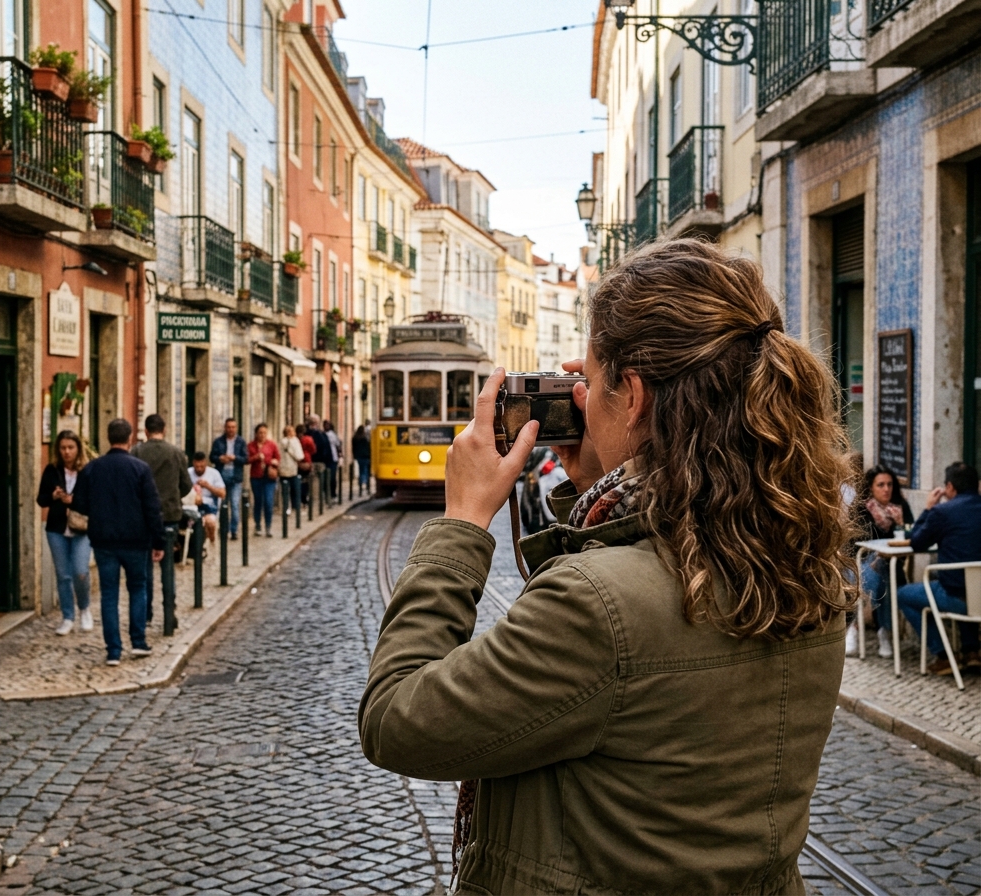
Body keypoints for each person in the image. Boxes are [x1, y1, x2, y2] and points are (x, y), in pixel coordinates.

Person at [360, 239, 852, 894]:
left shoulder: (597, 603)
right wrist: (603, 476)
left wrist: (461, 521)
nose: (580, 399)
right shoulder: (806, 566)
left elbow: (397, 720)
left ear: (636, 398)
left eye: (591, 383)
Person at [71, 418, 166, 666]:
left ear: (108, 438)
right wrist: (159, 542)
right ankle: (138, 642)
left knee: (109, 594)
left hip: (104, 541)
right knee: (137, 589)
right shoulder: (141, 469)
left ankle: (113, 651)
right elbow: (152, 508)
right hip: (136, 541)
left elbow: (79, 504)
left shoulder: (92, 469)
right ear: (130, 437)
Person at [896, 462, 981, 675]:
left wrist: (928, 508)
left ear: (950, 487)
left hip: (957, 599)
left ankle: (943, 656)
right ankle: (971, 652)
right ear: (977, 485)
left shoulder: (942, 512)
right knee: (968, 582)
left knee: (904, 594)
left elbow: (916, 542)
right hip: (977, 596)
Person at [131, 414, 192, 624]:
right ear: (163, 430)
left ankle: (145, 613)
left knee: (144, 567)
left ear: (146, 431)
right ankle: (169, 612)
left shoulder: (137, 452)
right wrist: (172, 497)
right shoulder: (176, 453)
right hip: (169, 516)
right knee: (168, 567)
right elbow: (186, 485)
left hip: (143, 517)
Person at [851, 465, 914, 657]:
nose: (886, 489)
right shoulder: (861, 509)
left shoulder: (901, 508)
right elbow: (855, 544)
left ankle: (856, 628)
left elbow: (913, 536)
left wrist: (900, 523)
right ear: (871, 488)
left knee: (884, 571)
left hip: (891, 567)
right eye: (881, 485)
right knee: (881, 572)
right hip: (860, 565)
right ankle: (883, 632)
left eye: (889, 484)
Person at [35, 430, 93, 636]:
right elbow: (41, 500)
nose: (67, 452)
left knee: (80, 571)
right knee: (63, 575)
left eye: (70, 447)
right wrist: (53, 496)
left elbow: (95, 500)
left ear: (78, 449)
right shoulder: (52, 470)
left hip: (82, 529)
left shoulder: (87, 470)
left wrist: (74, 500)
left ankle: (85, 608)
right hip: (56, 529)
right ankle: (67, 617)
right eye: (63, 448)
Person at [212, 418, 248, 539]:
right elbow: (212, 456)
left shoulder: (241, 442)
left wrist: (234, 458)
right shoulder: (218, 441)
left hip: (235, 476)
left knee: (235, 504)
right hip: (221, 475)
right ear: (225, 428)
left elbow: (245, 459)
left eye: (233, 427)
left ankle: (234, 530)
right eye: (229, 427)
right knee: (222, 504)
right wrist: (220, 458)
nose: (231, 429)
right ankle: (224, 529)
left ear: (236, 428)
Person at [248, 423, 281, 536]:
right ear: (256, 434)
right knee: (258, 501)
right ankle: (257, 525)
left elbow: (277, 457)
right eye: (260, 433)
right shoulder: (251, 445)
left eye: (264, 433)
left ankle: (268, 526)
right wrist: (255, 457)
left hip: (269, 477)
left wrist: (274, 462)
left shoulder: (271, 445)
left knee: (268, 501)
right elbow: (247, 460)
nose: (262, 435)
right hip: (256, 477)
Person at [188, 451, 226, 544]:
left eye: (202, 467)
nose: (199, 469)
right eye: (197, 467)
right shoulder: (188, 472)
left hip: (209, 505)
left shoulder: (214, 473)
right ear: (193, 464)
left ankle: (210, 541)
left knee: (210, 522)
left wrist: (208, 486)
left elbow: (222, 493)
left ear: (205, 463)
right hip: (192, 505)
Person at [278, 425, 305, 517]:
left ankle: (286, 509)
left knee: (285, 492)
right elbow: (300, 456)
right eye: (293, 431)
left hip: (282, 470)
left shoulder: (281, 442)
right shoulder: (295, 441)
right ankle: (296, 509)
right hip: (293, 470)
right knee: (295, 491)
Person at [306, 414, 333, 502]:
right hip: (314, 461)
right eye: (313, 422)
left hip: (319, 461)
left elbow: (327, 448)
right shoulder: (318, 434)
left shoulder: (320, 434)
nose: (315, 424)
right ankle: (317, 501)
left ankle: (318, 500)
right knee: (315, 482)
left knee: (319, 482)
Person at [297, 423, 316, 506]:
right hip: (306, 461)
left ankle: (299, 498)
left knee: (299, 480)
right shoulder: (308, 439)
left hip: (297, 462)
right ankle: (304, 498)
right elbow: (313, 450)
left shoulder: (295, 440)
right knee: (306, 481)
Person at [324, 420, 342, 497]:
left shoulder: (331, 434)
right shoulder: (325, 434)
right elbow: (338, 444)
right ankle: (330, 492)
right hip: (329, 458)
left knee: (331, 477)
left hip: (332, 458)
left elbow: (338, 445)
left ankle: (331, 492)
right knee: (329, 477)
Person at [351, 424, 371, 494]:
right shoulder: (366, 438)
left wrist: (355, 455)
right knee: (366, 471)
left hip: (359, 456)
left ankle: (360, 486)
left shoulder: (355, 438)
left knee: (361, 470)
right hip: (366, 456)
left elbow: (353, 448)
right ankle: (367, 486)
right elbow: (369, 447)